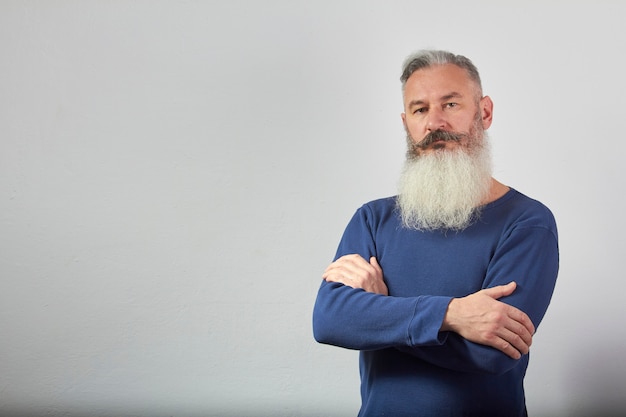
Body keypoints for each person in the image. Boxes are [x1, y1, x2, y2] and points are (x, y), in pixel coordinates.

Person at [312, 50, 559, 417]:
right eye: (420, 109)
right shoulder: (373, 218)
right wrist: (453, 315)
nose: (434, 122)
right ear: (406, 122)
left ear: (484, 112)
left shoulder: (527, 222)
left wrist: (381, 313)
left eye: (451, 103)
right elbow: (330, 320)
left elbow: (490, 353)